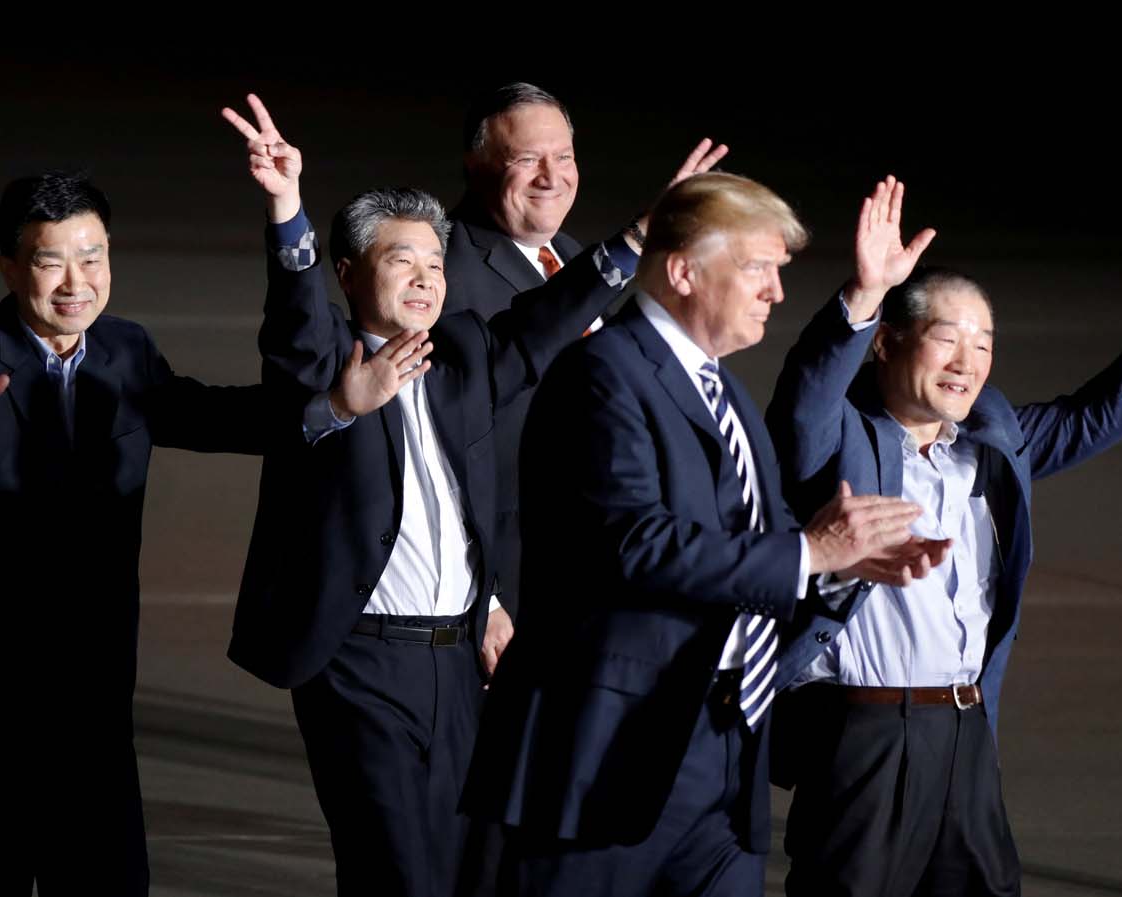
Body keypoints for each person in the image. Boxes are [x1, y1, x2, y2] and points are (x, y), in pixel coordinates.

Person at [219, 93, 724, 897]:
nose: (424, 280)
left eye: (433, 264)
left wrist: (635, 236)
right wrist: (287, 210)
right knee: (397, 869)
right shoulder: (326, 363)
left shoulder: (460, 358)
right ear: (350, 274)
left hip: (460, 665)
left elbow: (545, 320)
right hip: (363, 663)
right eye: (400, 262)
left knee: (468, 872)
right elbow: (295, 320)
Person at [462, 172, 943, 897]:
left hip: (723, 752)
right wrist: (812, 551)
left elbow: (770, 544)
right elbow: (633, 543)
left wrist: (845, 567)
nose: (776, 292)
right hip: (609, 758)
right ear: (683, 271)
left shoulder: (723, 392)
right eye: (758, 269)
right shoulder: (602, 375)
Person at [765, 175, 1122, 896]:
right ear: (886, 344)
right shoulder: (839, 439)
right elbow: (804, 399)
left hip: (967, 729)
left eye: (984, 343)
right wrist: (861, 294)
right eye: (947, 338)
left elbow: (1088, 419)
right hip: (865, 733)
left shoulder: (990, 439)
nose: (967, 360)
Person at [0, 171, 270, 895]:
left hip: (90, 695)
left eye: (94, 257)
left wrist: (338, 402)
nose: (76, 282)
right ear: (9, 266)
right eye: (52, 261)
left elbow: (212, 416)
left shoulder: (126, 350)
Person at [445, 82, 650, 620]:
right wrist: (483, 600)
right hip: (513, 588)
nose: (551, 177)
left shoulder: (566, 254)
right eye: (527, 159)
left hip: (593, 566)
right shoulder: (443, 267)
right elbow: (439, 448)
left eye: (564, 157)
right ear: (477, 164)